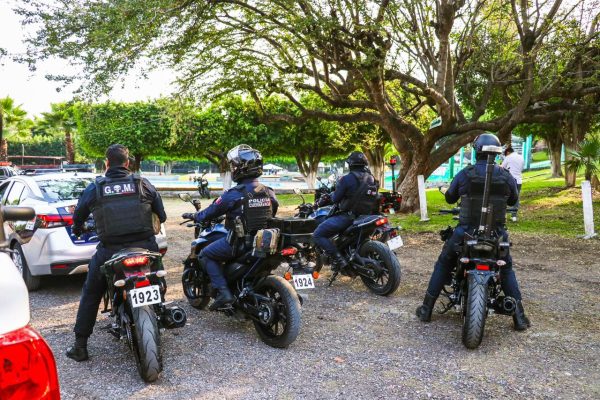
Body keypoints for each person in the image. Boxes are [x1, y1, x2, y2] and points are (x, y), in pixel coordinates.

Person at [415, 134, 530, 331]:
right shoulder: (506, 175)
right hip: (497, 235)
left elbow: (450, 198)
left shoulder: (465, 173)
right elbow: (513, 200)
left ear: (476, 151)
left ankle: (426, 309)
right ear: (497, 152)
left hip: (465, 233)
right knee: (506, 269)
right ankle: (519, 318)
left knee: (444, 263)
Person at [66, 144, 167, 362]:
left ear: (107, 164)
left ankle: (80, 346)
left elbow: (78, 217)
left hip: (110, 251)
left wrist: (77, 228)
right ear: (127, 163)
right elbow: (162, 215)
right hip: (146, 248)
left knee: (91, 292)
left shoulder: (95, 188)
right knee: (158, 279)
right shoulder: (142, 183)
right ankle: (162, 312)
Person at [183, 144, 278, 310]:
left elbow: (210, 212)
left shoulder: (235, 193)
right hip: (263, 242)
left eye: (234, 166)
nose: (233, 168)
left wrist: (195, 215)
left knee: (205, 254)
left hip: (240, 244)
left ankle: (223, 292)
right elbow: (273, 212)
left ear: (242, 168)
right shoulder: (268, 191)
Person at [312, 151, 379, 271]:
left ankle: (339, 260)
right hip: (366, 217)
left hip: (348, 218)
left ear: (350, 164)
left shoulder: (346, 179)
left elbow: (335, 199)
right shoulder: (372, 178)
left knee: (318, 234)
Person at [501, 145, 524, 221]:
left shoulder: (508, 157)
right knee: (516, 197)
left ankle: (503, 215)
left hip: (509, 180)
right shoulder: (521, 157)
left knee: (505, 196)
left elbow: (502, 168)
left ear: (507, 152)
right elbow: (522, 168)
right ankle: (514, 216)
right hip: (518, 180)